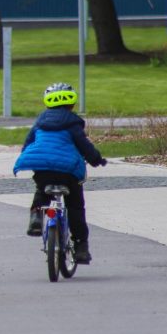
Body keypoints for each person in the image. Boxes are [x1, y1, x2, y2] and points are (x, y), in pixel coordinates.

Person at [13, 82, 108, 264]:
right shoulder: (72, 123)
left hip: (42, 167)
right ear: (72, 104)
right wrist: (97, 159)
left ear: (47, 103)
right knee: (75, 206)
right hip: (67, 171)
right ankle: (80, 247)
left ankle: (36, 217)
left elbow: (28, 144)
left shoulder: (40, 122)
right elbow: (85, 147)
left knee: (42, 189)